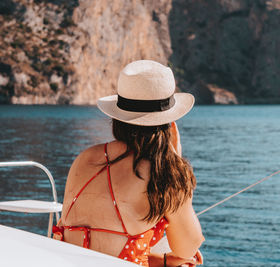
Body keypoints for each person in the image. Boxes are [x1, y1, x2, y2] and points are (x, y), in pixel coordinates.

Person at [53, 60, 204, 267]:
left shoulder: (84, 159)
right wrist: (176, 161)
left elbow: (99, 248)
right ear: (168, 124)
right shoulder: (163, 172)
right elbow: (188, 248)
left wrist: (165, 261)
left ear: (118, 117)